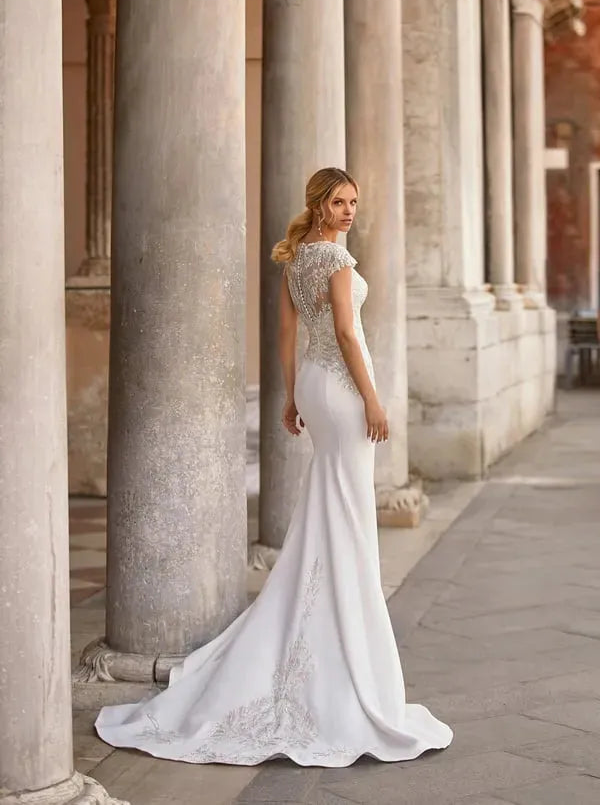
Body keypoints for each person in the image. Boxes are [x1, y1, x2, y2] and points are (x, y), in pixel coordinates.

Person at [95, 166, 453, 766]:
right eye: (339, 202)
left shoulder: (298, 259)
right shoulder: (335, 264)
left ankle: (326, 607)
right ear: (318, 204)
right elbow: (344, 331)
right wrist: (371, 398)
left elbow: (286, 334)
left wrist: (291, 395)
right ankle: (341, 628)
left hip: (315, 386)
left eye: (353, 202)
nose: (349, 211)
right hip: (340, 388)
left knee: (331, 501)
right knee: (347, 503)